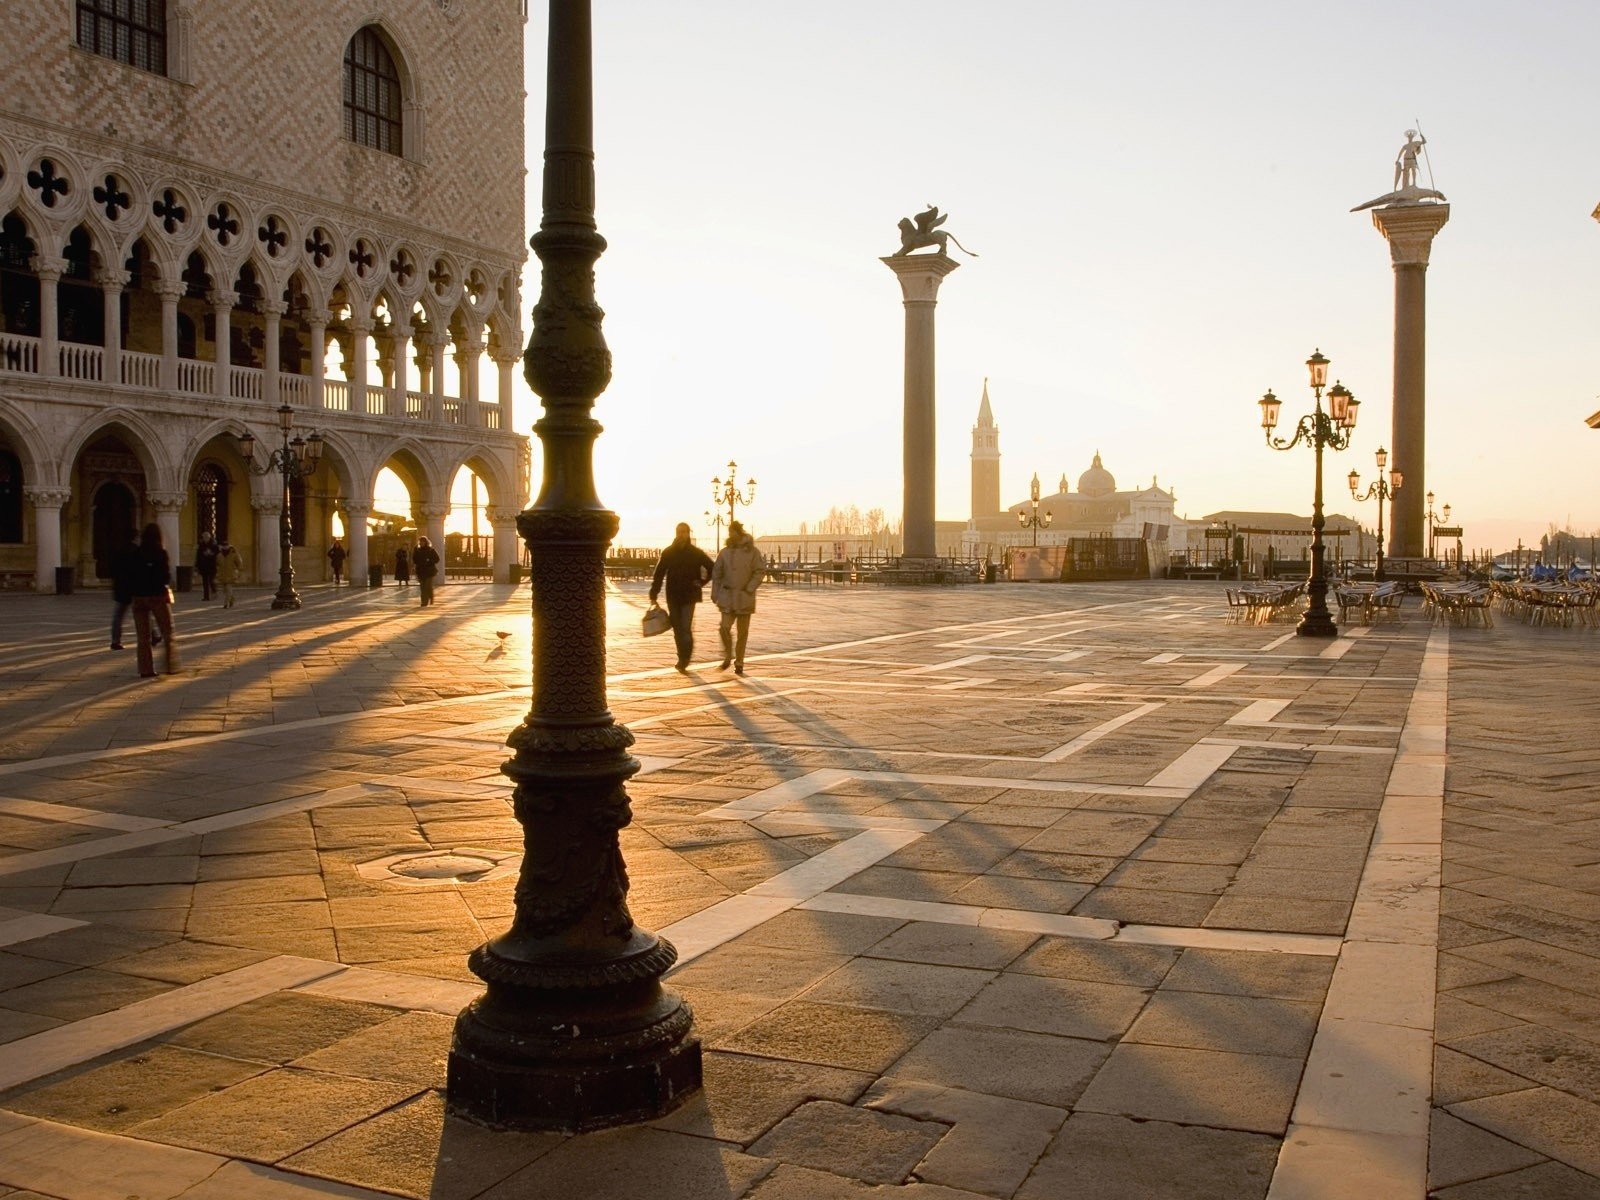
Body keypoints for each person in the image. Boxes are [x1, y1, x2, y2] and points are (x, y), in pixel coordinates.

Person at [649, 522, 715, 673]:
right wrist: (654, 593)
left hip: (690, 595)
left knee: (685, 628)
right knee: (677, 628)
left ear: (688, 534)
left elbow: (712, 567)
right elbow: (659, 574)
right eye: (679, 532)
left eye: (684, 532)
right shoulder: (669, 552)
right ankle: (681, 656)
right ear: (676, 533)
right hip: (673, 595)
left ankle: (685, 658)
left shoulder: (695, 552)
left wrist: (702, 582)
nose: (682, 535)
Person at [711, 520, 765, 675]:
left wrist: (750, 587)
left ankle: (739, 662)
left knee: (743, 632)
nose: (730, 535)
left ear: (738, 532)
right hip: (727, 596)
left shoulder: (752, 552)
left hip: (744, 596)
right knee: (724, 628)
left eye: (732, 531)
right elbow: (717, 574)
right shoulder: (725, 552)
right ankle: (728, 654)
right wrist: (715, 593)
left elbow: (760, 571)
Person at [130, 523, 178, 677]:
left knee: (143, 637)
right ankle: (170, 665)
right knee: (167, 632)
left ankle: (145, 669)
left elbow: (130, 575)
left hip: (139, 597)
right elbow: (165, 576)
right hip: (157, 596)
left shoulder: (136, 553)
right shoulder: (160, 553)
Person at [215, 537, 243, 608]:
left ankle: (226, 603)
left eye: (226, 546)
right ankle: (232, 600)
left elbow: (239, 563)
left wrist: (239, 571)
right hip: (223, 575)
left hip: (231, 574)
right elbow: (217, 564)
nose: (225, 547)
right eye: (223, 546)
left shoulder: (234, 554)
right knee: (225, 590)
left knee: (229, 588)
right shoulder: (219, 555)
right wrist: (217, 573)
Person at [413, 535, 440, 607]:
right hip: (421, 571)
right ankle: (424, 602)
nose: (421, 543)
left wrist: (430, 561)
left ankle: (431, 596)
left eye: (423, 541)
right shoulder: (417, 550)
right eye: (420, 542)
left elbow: (437, 559)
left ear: (426, 542)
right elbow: (414, 560)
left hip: (429, 571)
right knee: (422, 587)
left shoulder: (431, 550)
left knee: (428, 586)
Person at [194, 531, 219, 601]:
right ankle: (206, 597)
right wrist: (197, 566)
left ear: (209, 537)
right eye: (204, 537)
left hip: (212, 566)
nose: (205, 539)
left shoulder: (214, 544)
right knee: (205, 582)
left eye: (207, 537)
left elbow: (217, 554)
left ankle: (214, 591)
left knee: (211, 580)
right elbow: (198, 556)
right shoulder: (201, 545)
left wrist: (211, 554)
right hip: (203, 566)